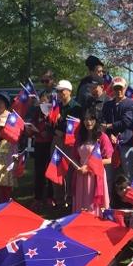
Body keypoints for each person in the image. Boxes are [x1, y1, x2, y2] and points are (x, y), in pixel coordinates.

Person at [73, 111, 113, 214]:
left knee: (93, 204)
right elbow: (75, 157)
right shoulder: (80, 137)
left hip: (96, 174)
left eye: (91, 119)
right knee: (81, 202)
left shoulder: (102, 137)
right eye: (86, 119)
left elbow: (109, 159)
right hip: (81, 174)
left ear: (96, 121)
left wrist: (89, 166)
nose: (88, 122)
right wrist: (77, 167)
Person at [101, 76, 133, 187]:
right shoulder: (107, 105)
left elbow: (126, 122)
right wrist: (110, 134)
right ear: (113, 89)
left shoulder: (131, 103)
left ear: (125, 88)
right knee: (108, 176)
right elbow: (103, 122)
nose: (118, 91)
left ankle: (130, 197)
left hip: (125, 142)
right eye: (116, 88)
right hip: (109, 144)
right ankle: (109, 197)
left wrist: (109, 126)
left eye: (120, 88)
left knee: (128, 174)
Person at [52, 80, 82, 208]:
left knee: (69, 170)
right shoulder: (56, 106)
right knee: (56, 167)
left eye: (62, 91)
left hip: (70, 142)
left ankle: (70, 198)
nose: (59, 93)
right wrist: (54, 128)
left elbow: (76, 125)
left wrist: (61, 120)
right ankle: (58, 198)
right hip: (57, 140)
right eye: (58, 91)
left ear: (69, 91)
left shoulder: (76, 107)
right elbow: (51, 123)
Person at [27, 90, 55, 210]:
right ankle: (38, 198)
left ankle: (50, 197)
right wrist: (30, 130)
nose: (43, 103)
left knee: (50, 171)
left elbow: (55, 127)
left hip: (50, 145)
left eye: (45, 100)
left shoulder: (53, 112)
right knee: (39, 172)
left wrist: (48, 132)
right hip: (39, 144)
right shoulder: (36, 112)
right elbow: (32, 126)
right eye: (41, 100)